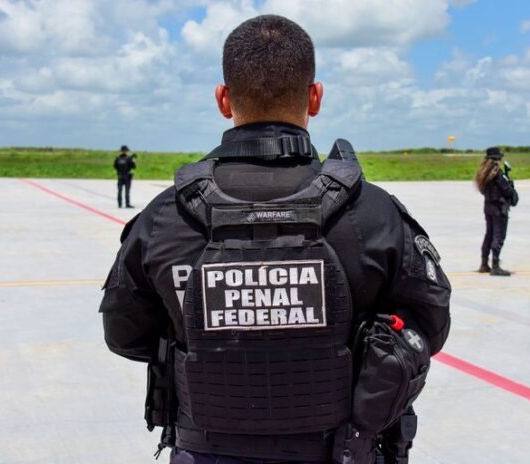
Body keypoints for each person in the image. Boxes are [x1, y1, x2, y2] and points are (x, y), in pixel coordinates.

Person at [99, 15, 451, 463]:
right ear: (315, 97)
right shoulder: (373, 213)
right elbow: (430, 326)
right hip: (340, 451)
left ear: (223, 99)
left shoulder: (165, 216)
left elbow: (124, 334)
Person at [475, 147, 518, 276]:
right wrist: (511, 187)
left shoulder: (484, 173)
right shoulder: (497, 173)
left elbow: (483, 190)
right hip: (499, 208)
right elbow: (507, 189)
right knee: (498, 236)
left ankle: (484, 263)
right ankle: (495, 266)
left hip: (488, 206)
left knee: (489, 235)